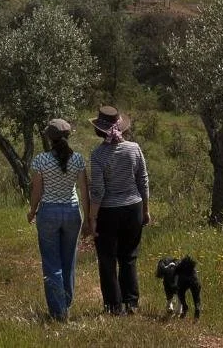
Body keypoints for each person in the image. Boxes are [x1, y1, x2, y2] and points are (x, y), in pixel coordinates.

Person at [87, 106, 150, 315]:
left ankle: (114, 306)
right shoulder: (134, 148)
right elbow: (143, 181)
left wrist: (92, 218)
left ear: (100, 131)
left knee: (107, 259)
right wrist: (146, 210)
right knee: (129, 256)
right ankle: (131, 302)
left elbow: (98, 190)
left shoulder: (97, 155)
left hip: (108, 211)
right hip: (133, 207)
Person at [27, 118, 90, 322]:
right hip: (72, 212)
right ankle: (66, 305)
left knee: (51, 262)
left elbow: (37, 191)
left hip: (48, 212)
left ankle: (58, 311)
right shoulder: (78, 159)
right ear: (68, 136)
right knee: (68, 261)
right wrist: (88, 219)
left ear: (49, 138)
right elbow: (84, 190)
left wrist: (32, 210)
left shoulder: (40, 160)